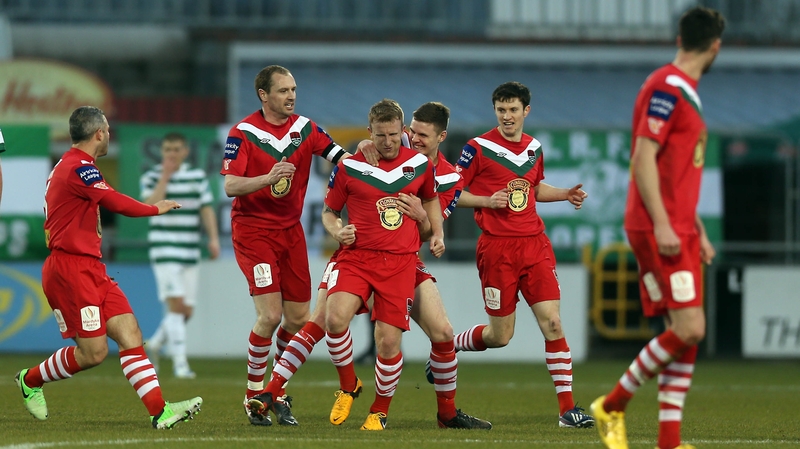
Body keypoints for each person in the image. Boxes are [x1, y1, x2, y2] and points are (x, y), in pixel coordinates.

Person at [249, 101, 491, 430]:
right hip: (357, 255)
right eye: (410, 133)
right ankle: (287, 390)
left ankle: (439, 413)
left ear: (441, 138)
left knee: (430, 334)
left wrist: (432, 228)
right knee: (328, 318)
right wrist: (338, 228)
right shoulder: (366, 158)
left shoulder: (443, 176)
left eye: (421, 135)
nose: (409, 139)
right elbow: (331, 209)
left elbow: (426, 220)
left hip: (404, 259)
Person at [14, 106, 202, 429]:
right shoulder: (79, 168)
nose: (109, 134)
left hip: (91, 267)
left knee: (130, 332)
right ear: (99, 133)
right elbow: (115, 201)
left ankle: (161, 412)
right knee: (93, 354)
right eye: (108, 130)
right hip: (70, 269)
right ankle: (29, 380)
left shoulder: (74, 166)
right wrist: (154, 209)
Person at [591, 7, 724, 449]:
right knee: (690, 327)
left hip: (679, 226)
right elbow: (643, 156)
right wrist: (666, 224)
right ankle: (613, 403)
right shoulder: (666, 86)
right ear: (715, 46)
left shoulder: (683, 90)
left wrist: (696, 228)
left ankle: (669, 441)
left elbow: (675, 173)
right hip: (658, 227)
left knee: (682, 333)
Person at [221, 65, 377, 427]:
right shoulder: (242, 133)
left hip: (291, 234)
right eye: (283, 90)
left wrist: (362, 149)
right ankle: (252, 396)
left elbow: (341, 159)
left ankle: (276, 393)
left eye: (294, 89)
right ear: (263, 95)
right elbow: (230, 186)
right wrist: (267, 178)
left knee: (296, 319)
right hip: (253, 232)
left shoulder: (305, 128)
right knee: (271, 315)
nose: (291, 96)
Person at [449, 81, 593, 429]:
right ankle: (448, 347)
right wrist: (485, 201)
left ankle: (567, 411)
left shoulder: (534, 148)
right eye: (501, 110)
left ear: (526, 111)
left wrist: (564, 194)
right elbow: (451, 189)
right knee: (501, 337)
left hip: (534, 245)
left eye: (513, 110)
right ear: (495, 111)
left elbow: (532, 188)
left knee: (553, 323)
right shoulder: (477, 148)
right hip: (497, 249)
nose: (507, 116)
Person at [141, 132, 220, 379]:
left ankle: (154, 344)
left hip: (189, 249)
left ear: (185, 151)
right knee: (176, 306)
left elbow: (206, 209)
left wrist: (214, 238)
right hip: (164, 248)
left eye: (176, 149)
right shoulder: (152, 176)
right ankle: (180, 365)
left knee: (186, 311)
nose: (171, 154)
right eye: (167, 150)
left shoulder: (197, 177)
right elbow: (149, 207)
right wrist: (164, 177)